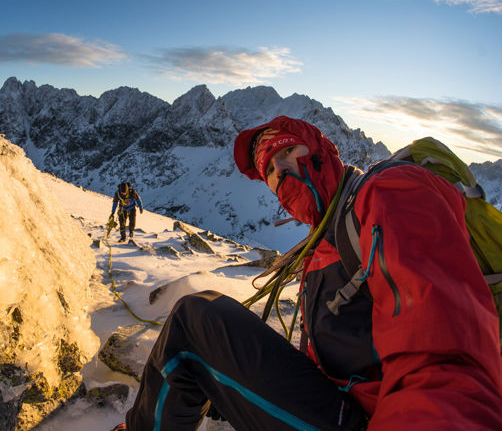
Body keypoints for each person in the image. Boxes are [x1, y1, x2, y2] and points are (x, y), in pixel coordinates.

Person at [121, 116, 502, 430]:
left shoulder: (389, 192)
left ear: (322, 152)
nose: (280, 169)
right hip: (348, 405)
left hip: (377, 419)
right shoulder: (327, 236)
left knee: (194, 323)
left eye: (288, 150)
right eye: (268, 169)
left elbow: (444, 358)